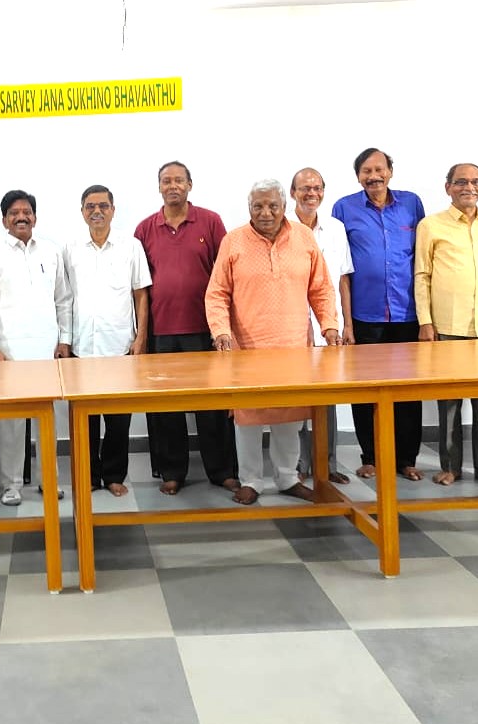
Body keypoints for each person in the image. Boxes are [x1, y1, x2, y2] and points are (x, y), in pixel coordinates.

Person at [205, 179, 340, 506]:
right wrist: (221, 331)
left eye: (272, 206)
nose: (265, 213)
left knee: (290, 419)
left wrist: (330, 326)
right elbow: (217, 292)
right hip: (246, 349)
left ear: (284, 206)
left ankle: (287, 477)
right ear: (248, 208)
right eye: (258, 207)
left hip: (293, 347)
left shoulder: (304, 238)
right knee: (247, 419)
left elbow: (320, 288)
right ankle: (251, 480)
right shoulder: (234, 241)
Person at [135, 160, 239, 495]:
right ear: (159, 187)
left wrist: (225, 328)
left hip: (203, 329)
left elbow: (225, 275)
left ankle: (221, 470)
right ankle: (172, 471)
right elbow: (138, 286)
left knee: (211, 404)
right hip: (161, 333)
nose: (173, 186)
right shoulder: (145, 229)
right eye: (167, 181)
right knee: (167, 407)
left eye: (179, 180)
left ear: (190, 185)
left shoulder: (210, 222)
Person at [415, 164, 478, 489]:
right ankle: (451, 467)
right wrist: (425, 321)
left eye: (475, 182)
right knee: (449, 403)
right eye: (461, 182)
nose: (468, 187)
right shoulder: (431, 226)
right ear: (448, 187)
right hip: (448, 325)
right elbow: (422, 276)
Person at [332, 148, 427, 481]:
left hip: (406, 313)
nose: (373, 176)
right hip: (365, 315)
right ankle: (370, 455)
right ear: (358, 176)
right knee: (366, 390)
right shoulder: (344, 208)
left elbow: (422, 259)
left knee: (406, 392)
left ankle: (406, 458)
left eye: (379, 169)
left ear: (390, 171)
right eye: (366, 171)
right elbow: (340, 266)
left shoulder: (412, 203)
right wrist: (344, 322)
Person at [0, 189, 72, 506]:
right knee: (12, 425)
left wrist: (64, 340)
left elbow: (63, 300)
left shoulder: (51, 252)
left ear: (35, 216)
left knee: (49, 419)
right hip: (10, 353)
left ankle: (50, 480)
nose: (21, 217)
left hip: (47, 352)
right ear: (4, 220)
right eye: (14, 212)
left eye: (26, 211)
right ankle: (12, 485)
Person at [64, 184, 151, 496]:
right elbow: (63, 297)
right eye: (90, 206)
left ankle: (114, 476)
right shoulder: (70, 248)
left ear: (113, 209)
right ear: (82, 211)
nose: (96, 211)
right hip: (81, 347)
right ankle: (88, 476)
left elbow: (141, 294)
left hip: (118, 346)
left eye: (102, 205)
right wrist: (64, 340)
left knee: (117, 421)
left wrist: (140, 338)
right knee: (83, 419)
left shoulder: (131, 246)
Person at [289, 168, 353, 485]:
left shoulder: (337, 229)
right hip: (293, 329)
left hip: (329, 327)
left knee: (327, 400)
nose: (310, 193)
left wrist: (346, 324)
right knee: (299, 400)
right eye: (304, 188)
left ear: (323, 193)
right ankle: (300, 464)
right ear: (292, 193)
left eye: (316, 187)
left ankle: (328, 463)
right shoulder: (283, 230)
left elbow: (342, 280)